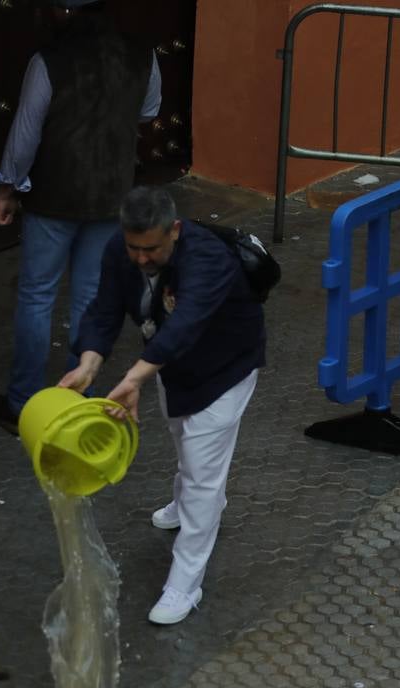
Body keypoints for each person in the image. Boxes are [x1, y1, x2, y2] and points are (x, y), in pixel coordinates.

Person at [60, 187, 265, 626]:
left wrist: (133, 377)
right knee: (182, 443)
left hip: (224, 369)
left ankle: (185, 583)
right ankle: (188, 500)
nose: (140, 258)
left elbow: (186, 323)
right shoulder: (122, 248)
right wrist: (89, 363)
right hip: (170, 368)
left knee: (202, 474)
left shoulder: (207, 257)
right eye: (134, 247)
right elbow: (105, 307)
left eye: (150, 248)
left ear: (174, 230)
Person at [0, 0, 161, 434]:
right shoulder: (143, 52)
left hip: (54, 196)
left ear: (63, 12)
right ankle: (75, 398)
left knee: (37, 295)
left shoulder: (48, 61)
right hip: (111, 194)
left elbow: (25, 136)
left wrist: (8, 186)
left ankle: (23, 401)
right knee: (89, 298)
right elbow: (150, 110)